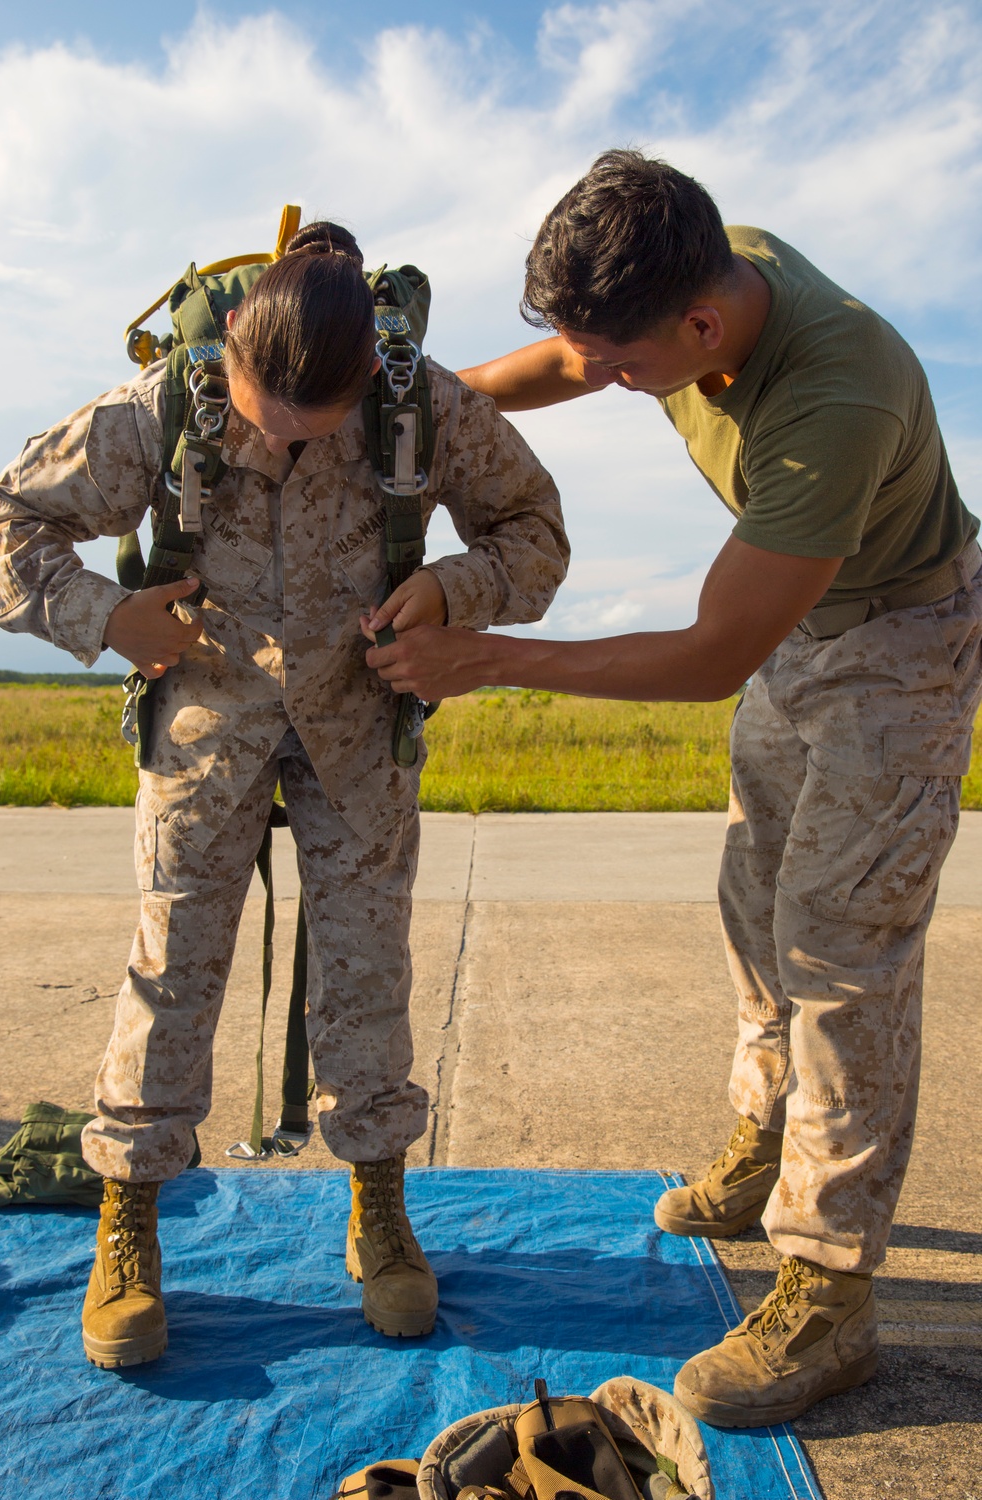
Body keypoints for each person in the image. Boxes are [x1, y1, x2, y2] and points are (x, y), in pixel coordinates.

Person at [363, 151, 982, 1427]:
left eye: (623, 362)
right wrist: (412, 429)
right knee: (753, 897)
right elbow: (549, 366)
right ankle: (768, 1143)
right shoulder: (697, 261)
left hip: (902, 643)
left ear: (700, 326)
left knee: (841, 949)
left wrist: (481, 656)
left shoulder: (835, 395)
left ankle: (828, 1288)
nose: (603, 379)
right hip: (805, 626)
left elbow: (709, 657)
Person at [0, 220, 569, 1367]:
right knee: (169, 964)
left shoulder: (423, 403)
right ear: (233, 359)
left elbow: (534, 532)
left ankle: (379, 1207)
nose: (278, 439)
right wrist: (104, 616)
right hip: (205, 719)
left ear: (364, 383)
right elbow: (4, 519)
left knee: (368, 962)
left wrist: (454, 589)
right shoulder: (166, 402)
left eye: (312, 426)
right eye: (259, 418)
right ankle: (130, 1219)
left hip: (359, 719)